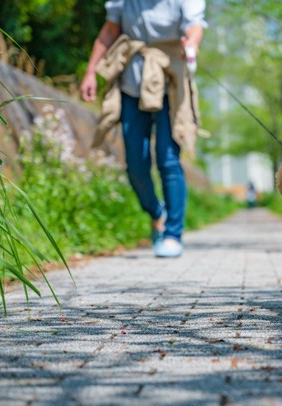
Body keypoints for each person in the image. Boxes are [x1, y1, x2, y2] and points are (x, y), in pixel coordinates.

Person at [80, 0, 206, 258]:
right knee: (135, 163)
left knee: (168, 158)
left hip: (170, 77)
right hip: (131, 80)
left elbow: (194, 27)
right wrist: (91, 71)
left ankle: (173, 233)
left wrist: (191, 45)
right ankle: (156, 212)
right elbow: (109, 31)